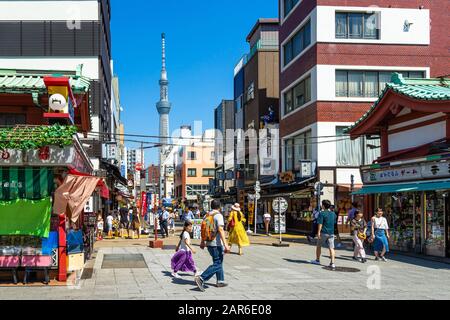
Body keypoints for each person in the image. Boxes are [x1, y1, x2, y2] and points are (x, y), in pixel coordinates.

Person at [195, 199, 230, 292]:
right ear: (219, 207)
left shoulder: (206, 215)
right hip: (216, 243)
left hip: (209, 243)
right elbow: (221, 230)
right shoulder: (218, 216)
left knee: (218, 261)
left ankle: (220, 280)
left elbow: (203, 230)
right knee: (217, 263)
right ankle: (202, 278)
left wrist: (202, 242)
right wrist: (226, 244)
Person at [310, 200, 337, 270]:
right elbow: (334, 222)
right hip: (331, 233)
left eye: (322, 205)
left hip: (323, 232)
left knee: (319, 246)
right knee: (331, 248)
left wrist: (318, 232)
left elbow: (320, 223)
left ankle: (317, 260)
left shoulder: (322, 213)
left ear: (323, 206)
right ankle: (332, 263)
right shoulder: (333, 214)